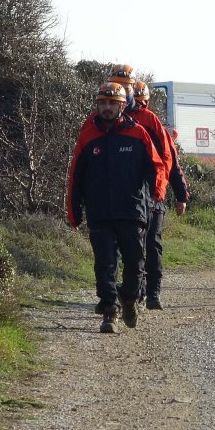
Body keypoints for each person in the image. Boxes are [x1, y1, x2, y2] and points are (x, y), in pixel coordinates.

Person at [66, 82, 160, 333]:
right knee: (105, 264)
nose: (106, 107)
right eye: (102, 103)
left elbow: (156, 166)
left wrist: (157, 191)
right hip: (100, 213)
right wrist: (73, 211)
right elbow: (75, 176)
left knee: (135, 263)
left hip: (132, 211)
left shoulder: (139, 133)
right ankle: (109, 311)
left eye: (112, 103)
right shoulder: (87, 135)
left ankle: (129, 299)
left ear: (122, 106)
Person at [125, 78, 190, 310]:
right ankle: (139, 292)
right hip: (132, 197)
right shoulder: (116, 123)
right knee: (138, 247)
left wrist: (181, 195)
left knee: (151, 245)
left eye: (141, 101)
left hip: (154, 196)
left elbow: (170, 161)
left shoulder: (152, 123)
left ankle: (152, 293)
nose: (139, 106)